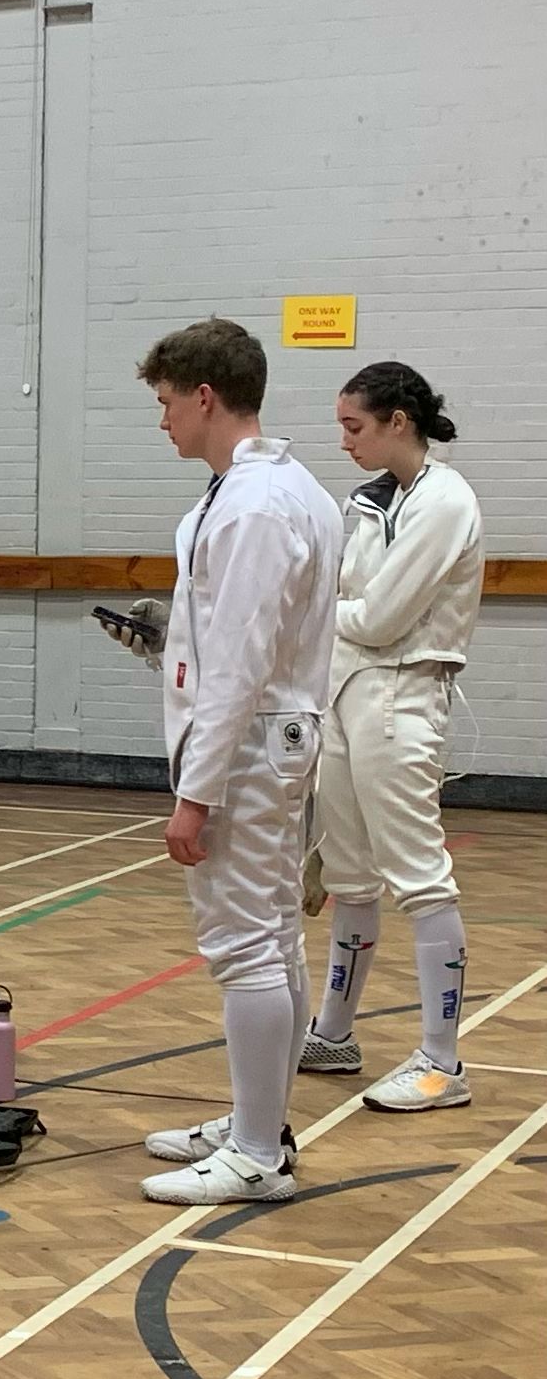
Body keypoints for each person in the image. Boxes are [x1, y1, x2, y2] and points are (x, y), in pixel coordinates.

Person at [102, 317, 343, 1206]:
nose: (162, 420)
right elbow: (240, 637)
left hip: (247, 748)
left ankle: (255, 1152)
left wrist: (194, 797)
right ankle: (259, 1120)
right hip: (271, 736)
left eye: (167, 403)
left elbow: (242, 665)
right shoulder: (279, 490)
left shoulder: (253, 505)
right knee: (273, 936)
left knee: (246, 945)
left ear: (206, 396)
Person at [299, 361, 482, 1112]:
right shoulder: (375, 497)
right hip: (346, 686)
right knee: (348, 871)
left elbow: (377, 618)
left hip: (403, 694)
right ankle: (336, 1032)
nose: (344, 442)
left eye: (355, 427)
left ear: (397, 421)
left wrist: (313, 619)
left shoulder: (445, 501)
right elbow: (349, 597)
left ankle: (443, 1062)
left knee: (417, 873)